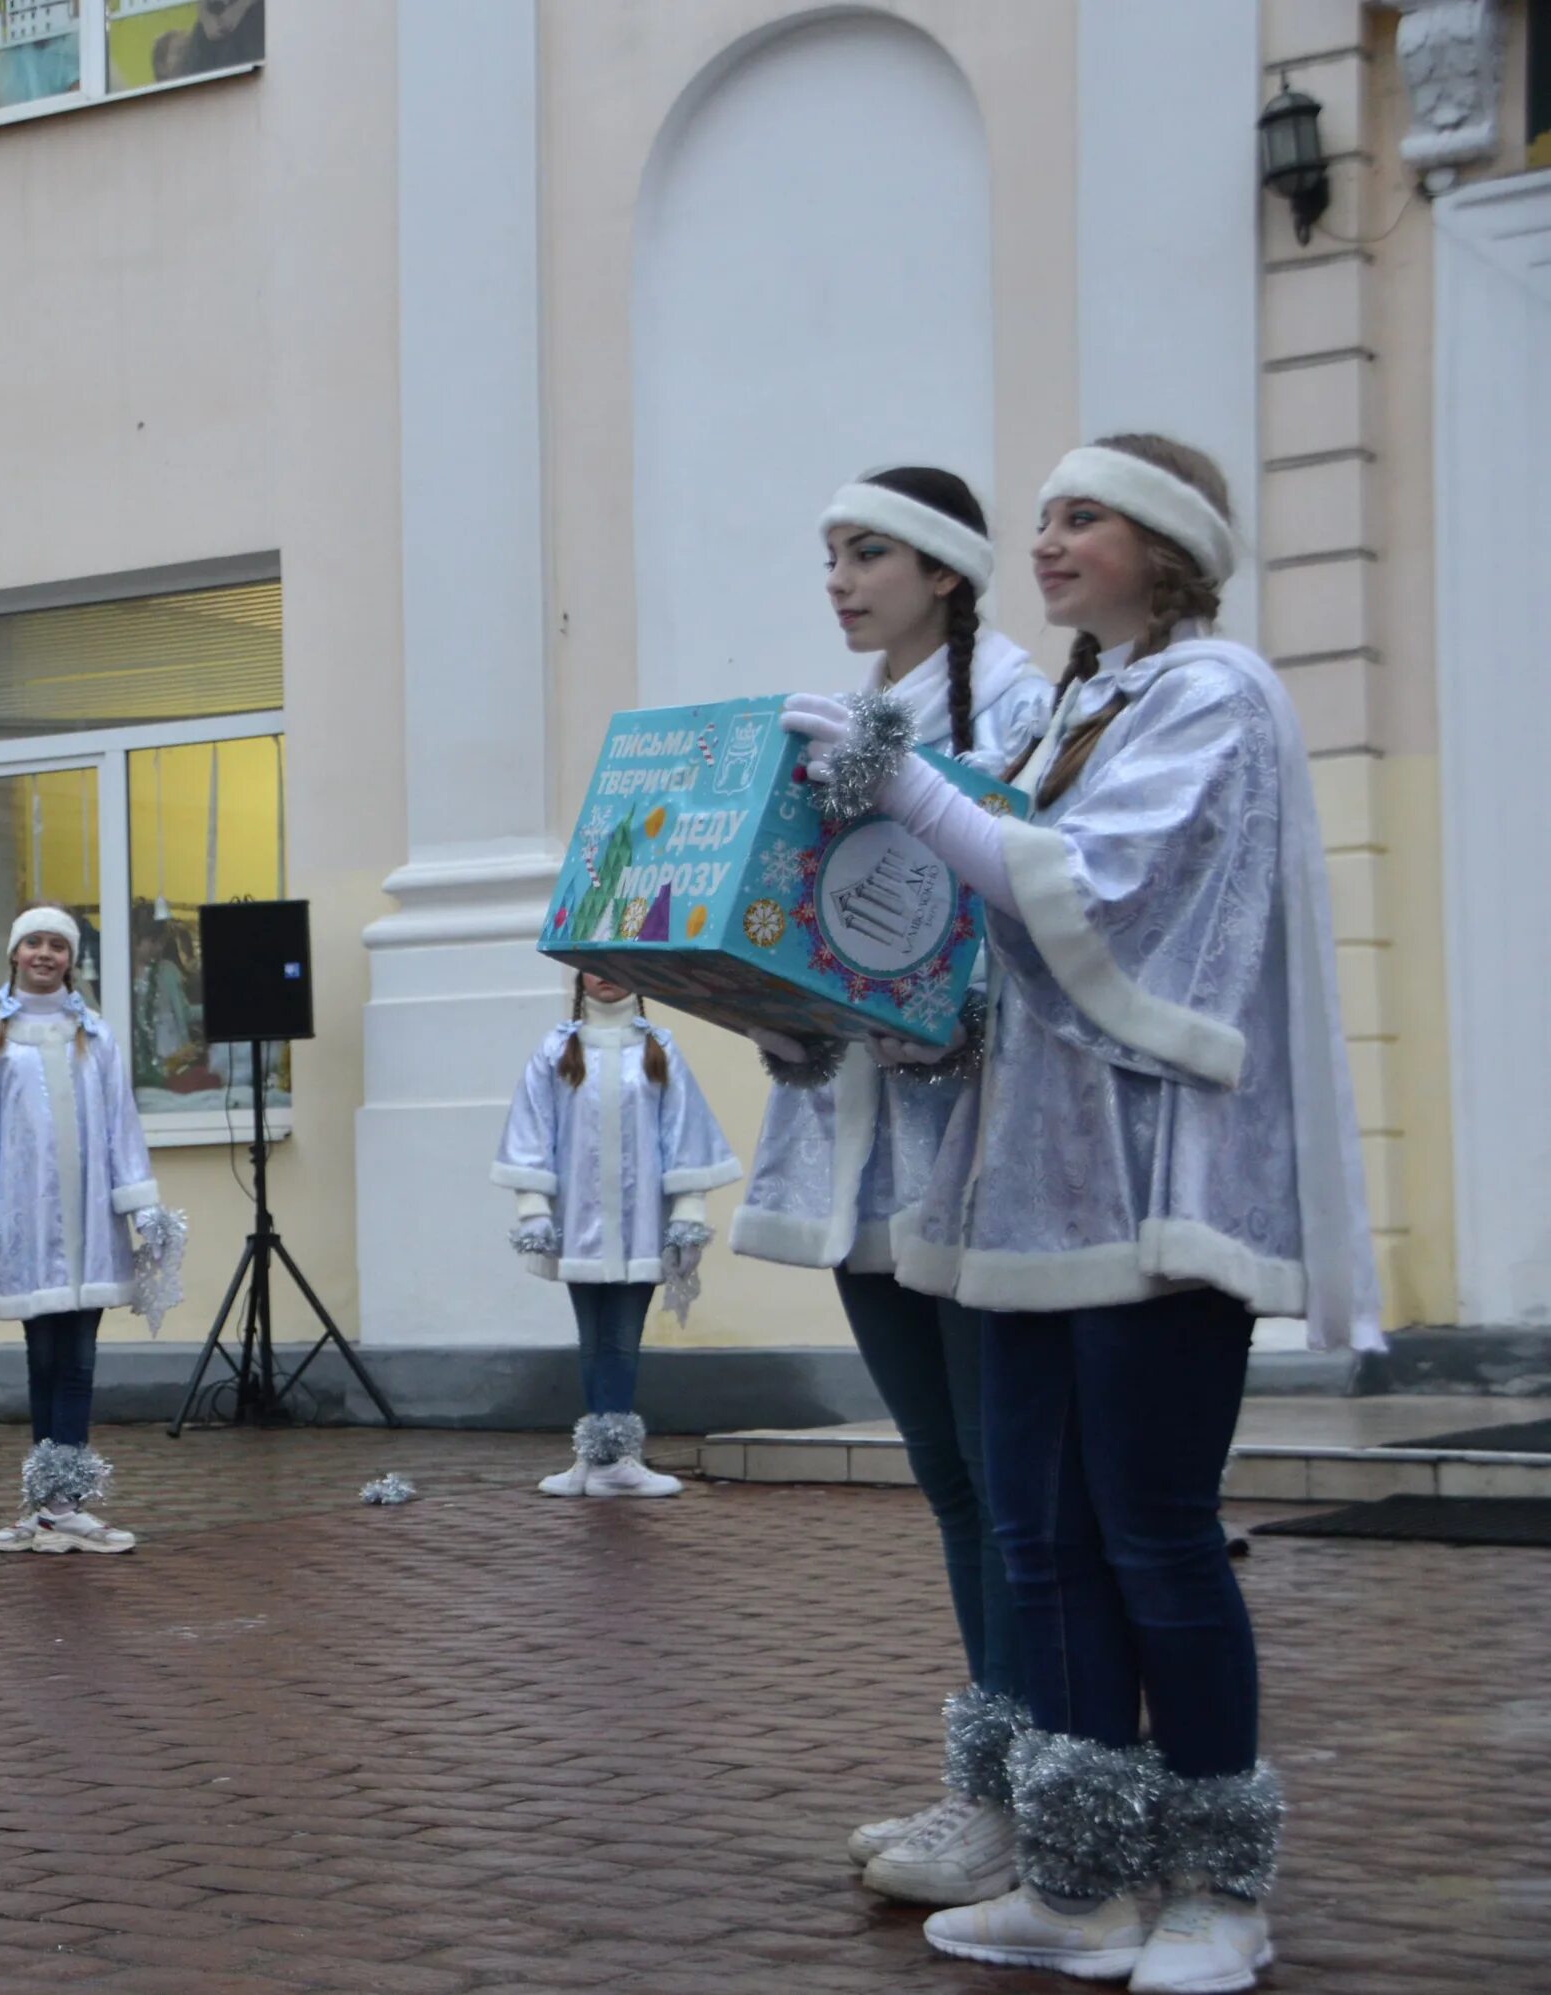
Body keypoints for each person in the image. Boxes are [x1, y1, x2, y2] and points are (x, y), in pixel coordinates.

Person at [784, 434, 1382, 1993]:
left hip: (1154, 1179)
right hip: (1025, 1183)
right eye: (1042, 516)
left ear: (1167, 545)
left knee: (1156, 1536)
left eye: (1081, 516)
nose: (1044, 541)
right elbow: (982, 944)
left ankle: (1214, 1889)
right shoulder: (1094, 709)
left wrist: (903, 786)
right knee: (1041, 1539)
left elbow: (1098, 897)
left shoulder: (1212, 692)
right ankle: (1083, 1877)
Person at [732, 468, 1053, 1906]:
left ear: (946, 570)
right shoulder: (823, 730)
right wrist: (770, 1003)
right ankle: (993, 1780)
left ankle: (1049, 1785)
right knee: (948, 1479)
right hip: (867, 1150)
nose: (841, 579)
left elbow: (1029, 923)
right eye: (831, 555)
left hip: (976, 1148)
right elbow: (821, 928)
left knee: (1010, 1481)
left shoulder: (1026, 715)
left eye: (869, 552)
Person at [0, 907, 185, 1554]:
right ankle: (49, 1504)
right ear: (14, 954)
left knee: (79, 1360)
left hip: (91, 1228)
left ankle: (68, 1504)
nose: (44, 953)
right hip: (30, 1229)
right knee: (43, 1357)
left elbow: (121, 1125)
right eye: (33, 941)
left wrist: (141, 1203)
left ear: (71, 957)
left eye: (56, 944)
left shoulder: (97, 1037)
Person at [493, 971, 738, 1497]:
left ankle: (615, 1459)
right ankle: (597, 1459)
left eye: (618, 964)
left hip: (639, 1227)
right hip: (581, 1225)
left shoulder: (658, 1050)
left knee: (621, 1341)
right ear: (579, 976)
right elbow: (531, 1130)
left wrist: (688, 1212)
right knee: (592, 1340)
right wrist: (534, 1208)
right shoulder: (558, 1051)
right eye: (593, 964)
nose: (606, 976)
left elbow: (685, 1133)